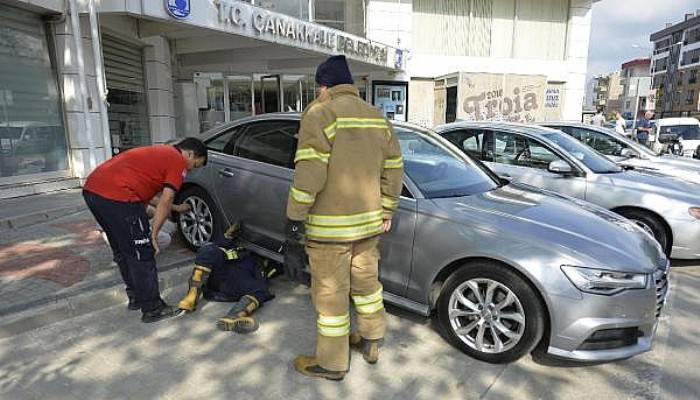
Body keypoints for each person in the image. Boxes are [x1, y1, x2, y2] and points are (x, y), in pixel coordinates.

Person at [285, 55, 404, 380]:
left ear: (323, 86)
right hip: (368, 227)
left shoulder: (320, 113)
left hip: (329, 233)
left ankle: (332, 363)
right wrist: (388, 208)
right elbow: (394, 169)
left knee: (331, 295)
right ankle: (371, 340)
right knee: (367, 286)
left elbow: (310, 173)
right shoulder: (377, 116)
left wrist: (294, 218)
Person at [82, 138, 207, 323]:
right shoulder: (178, 161)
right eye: (195, 164)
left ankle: (136, 297)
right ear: (189, 154)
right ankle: (153, 308)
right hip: (118, 196)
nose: (190, 170)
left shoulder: (161, 152)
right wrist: (153, 235)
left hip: (94, 191)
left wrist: (177, 208)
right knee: (143, 252)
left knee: (123, 249)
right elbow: (164, 201)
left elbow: (147, 193)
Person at [177, 222, 275, 334]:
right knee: (209, 250)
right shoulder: (236, 241)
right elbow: (217, 244)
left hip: (237, 282)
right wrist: (227, 237)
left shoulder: (261, 257)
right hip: (221, 275)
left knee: (260, 290)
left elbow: (263, 279)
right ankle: (191, 297)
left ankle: (234, 316)